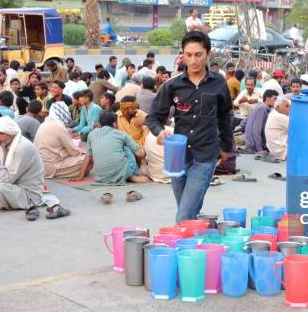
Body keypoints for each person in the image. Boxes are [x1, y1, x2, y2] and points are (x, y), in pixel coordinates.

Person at [147, 30, 233, 223]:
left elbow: (225, 114)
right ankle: (200, 242)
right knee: (187, 211)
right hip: (177, 157)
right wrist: (159, 132)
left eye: (198, 54)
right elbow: (153, 117)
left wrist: (226, 147)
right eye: (189, 55)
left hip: (205, 156)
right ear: (183, 55)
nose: (193, 60)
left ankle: (186, 245)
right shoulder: (172, 85)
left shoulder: (219, 83)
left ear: (208, 55)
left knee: (184, 215)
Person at [0, 117, 67, 220]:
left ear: (11, 133)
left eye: (0, 134)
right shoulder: (3, 143)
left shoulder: (22, 148)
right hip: (10, 184)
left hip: (26, 193)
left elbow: (6, 179)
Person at [74, 110, 149, 184]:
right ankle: (132, 174)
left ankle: (128, 176)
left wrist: (81, 175)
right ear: (114, 124)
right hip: (122, 171)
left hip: (102, 177)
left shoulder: (92, 134)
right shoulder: (121, 134)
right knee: (127, 149)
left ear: (100, 124)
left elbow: (88, 156)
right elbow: (140, 154)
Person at [34, 102, 84, 179]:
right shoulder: (58, 126)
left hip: (39, 166)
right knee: (87, 160)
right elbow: (73, 150)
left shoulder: (44, 124)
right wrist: (84, 153)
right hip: (50, 167)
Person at [243, 89, 279, 154]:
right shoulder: (263, 108)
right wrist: (260, 150)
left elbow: (244, 122)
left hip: (254, 144)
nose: (276, 102)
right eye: (275, 99)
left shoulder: (261, 106)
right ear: (267, 98)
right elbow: (256, 131)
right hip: (254, 147)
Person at [265, 96, 290, 161]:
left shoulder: (272, 113)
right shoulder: (280, 117)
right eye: (286, 106)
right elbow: (299, 129)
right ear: (277, 107)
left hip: (273, 150)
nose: (289, 108)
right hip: (282, 152)